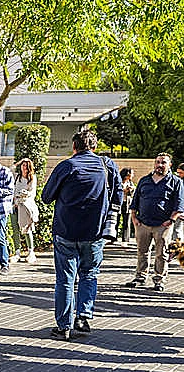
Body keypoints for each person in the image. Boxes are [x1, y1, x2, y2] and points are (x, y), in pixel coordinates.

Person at [41, 129, 122, 340]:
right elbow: (119, 196)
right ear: (95, 147)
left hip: (66, 231)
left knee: (66, 279)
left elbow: (46, 197)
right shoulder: (107, 166)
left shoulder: (67, 166)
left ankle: (63, 326)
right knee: (89, 274)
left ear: (74, 147)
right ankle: (83, 317)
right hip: (95, 232)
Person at [123, 153, 184, 292]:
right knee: (142, 252)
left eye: (163, 162)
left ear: (170, 165)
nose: (160, 165)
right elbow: (135, 201)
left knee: (161, 254)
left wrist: (171, 221)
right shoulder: (145, 180)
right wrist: (134, 218)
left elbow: (179, 205)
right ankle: (140, 277)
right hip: (143, 223)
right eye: (157, 162)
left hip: (163, 225)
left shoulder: (176, 182)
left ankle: (159, 279)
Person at [10, 158, 40, 264]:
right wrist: (20, 161)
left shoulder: (32, 178)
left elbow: (31, 193)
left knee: (27, 229)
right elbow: (11, 168)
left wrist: (21, 198)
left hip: (25, 207)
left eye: (27, 165)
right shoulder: (17, 176)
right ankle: (17, 252)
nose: (24, 167)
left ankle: (31, 252)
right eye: (23, 165)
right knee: (15, 230)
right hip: (15, 207)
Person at [119, 168, 136, 245]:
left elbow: (133, 194)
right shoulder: (118, 181)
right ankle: (113, 238)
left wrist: (131, 190)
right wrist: (123, 191)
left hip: (127, 204)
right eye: (132, 173)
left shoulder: (131, 183)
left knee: (127, 222)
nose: (133, 175)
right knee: (116, 221)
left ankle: (125, 240)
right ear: (127, 174)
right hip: (119, 203)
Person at [173, 163, 184, 242]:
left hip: (181, 211)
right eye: (178, 173)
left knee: (177, 230)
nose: (179, 175)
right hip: (179, 210)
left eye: (181, 173)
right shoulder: (179, 181)